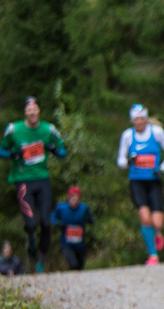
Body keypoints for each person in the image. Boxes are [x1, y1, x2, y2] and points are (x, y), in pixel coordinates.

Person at [1, 97, 67, 272]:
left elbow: (63, 152)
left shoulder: (48, 129)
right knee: (31, 223)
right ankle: (31, 241)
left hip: (42, 179)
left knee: (45, 222)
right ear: (25, 112)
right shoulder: (14, 129)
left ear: (39, 111)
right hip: (23, 181)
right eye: (29, 109)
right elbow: (2, 150)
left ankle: (41, 258)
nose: (32, 112)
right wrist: (12, 155)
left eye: (34, 109)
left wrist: (54, 150)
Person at [117, 105, 164, 266]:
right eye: (136, 119)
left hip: (154, 181)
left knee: (157, 223)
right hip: (137, 181)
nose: (139, 122)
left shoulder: (157, 132)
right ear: (132, 121)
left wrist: (163, 168)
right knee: (145, 218)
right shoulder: (127, 135)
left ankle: (156, 233)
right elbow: (120, 160)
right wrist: (127, 162)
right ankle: (153, 255)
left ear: (146, 119)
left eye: (142, 119)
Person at [50, 185, 94, 271]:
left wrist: (89, 220)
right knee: (73, 264)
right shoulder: (61, 208)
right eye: (72, 197)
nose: (74, 199)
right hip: (67, 244)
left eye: (76, 197)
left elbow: (92, 219)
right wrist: (58, 223)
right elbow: (52, 217)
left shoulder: (84, 208)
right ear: (68, 198)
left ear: (79, 198)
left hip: (80, 244)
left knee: (80, 266)